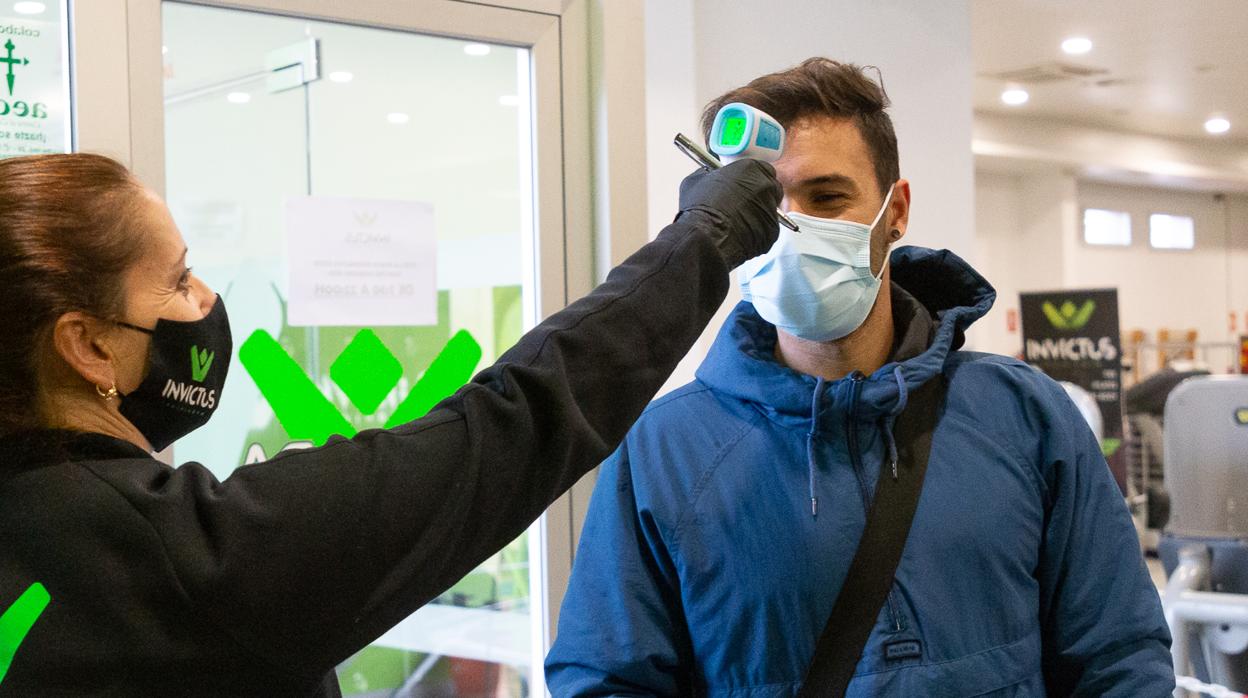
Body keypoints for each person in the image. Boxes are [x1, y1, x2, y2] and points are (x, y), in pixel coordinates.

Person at [0, 151, 782, 695]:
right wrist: (702, 244)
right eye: (175, 280)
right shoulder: (190, 556)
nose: (204, 301)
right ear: (89, 345)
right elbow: (513, 421)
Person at [546, 58, 1174, 696]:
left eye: (827, 197)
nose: (791, 230)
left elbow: (1119, 654)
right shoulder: (666, 451)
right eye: (765, 205)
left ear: (895, 211)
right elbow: (606, 678)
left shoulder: (1023, 415)